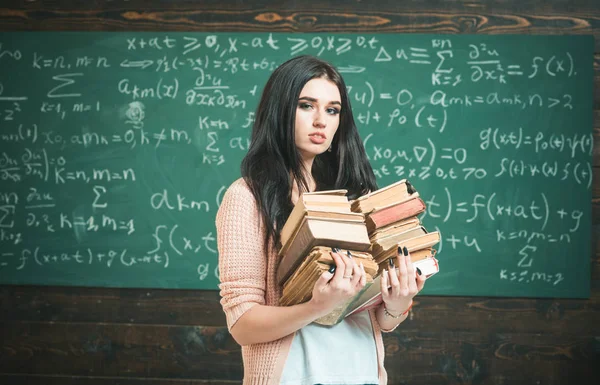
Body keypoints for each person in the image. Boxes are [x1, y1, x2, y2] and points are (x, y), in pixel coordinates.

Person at [216, 55, 426, 385]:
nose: (320, 121)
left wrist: (397, 303)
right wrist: (316, 306)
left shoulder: (352, 199)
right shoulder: (247, 197)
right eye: (306, 105)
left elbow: (377, 319)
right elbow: (242, 324)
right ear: (280, 110)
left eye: (332, 110)